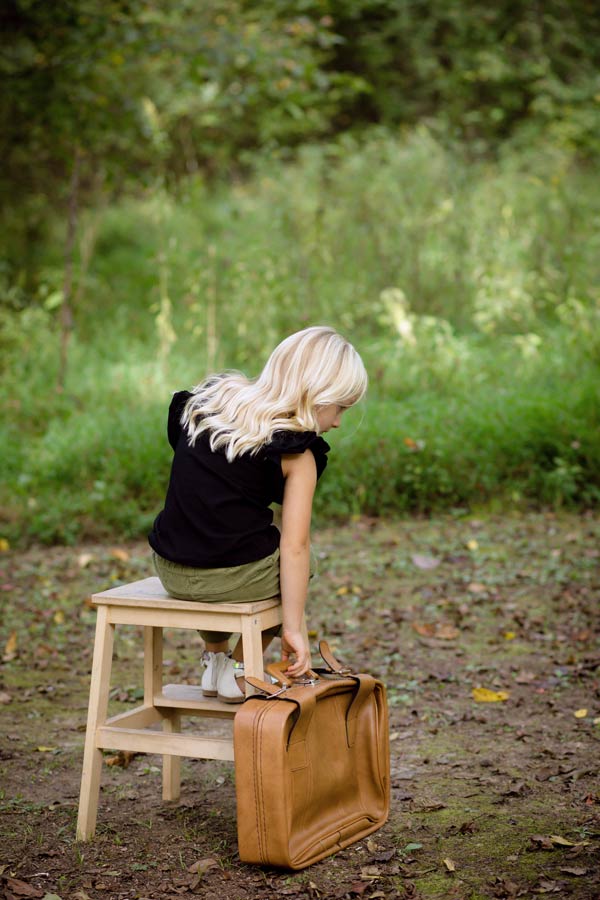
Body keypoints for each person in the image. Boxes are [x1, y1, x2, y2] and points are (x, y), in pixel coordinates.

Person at [148, 325, 367, 703]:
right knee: (301, 564)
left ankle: (214, 657)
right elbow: (295, 545)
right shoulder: (297, 453)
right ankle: (238, 667)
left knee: (213, 537)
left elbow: (196, 480)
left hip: (170, 566)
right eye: (340, 407)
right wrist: (293, 628)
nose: (338, 422)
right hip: (230, 580)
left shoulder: (205, 404)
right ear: (316, 394)